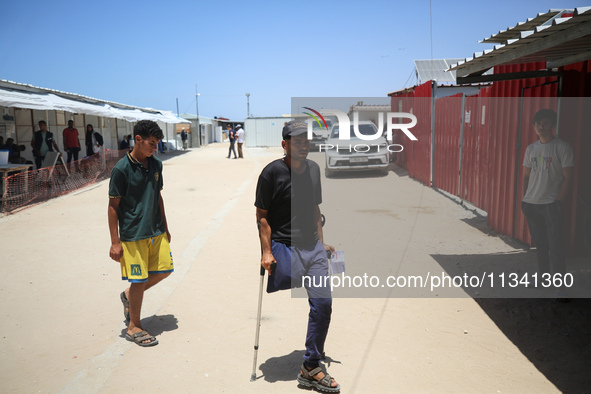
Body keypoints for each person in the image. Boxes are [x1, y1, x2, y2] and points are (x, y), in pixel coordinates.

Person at [254, 121, 340, 392]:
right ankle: (311, 361)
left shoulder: (314, 169)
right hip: (285, 246)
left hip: (312, 246)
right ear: (285, 144)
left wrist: (322, 244)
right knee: (284, 280)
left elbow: (315, 208)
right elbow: (262, 217)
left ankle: (310, 366)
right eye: (298, 141)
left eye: (307, 141)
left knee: (323, 304)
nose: (304, 145)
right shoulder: (271, 174)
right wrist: (266, 252)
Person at [108, 120, 174, 347]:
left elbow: (158, 196)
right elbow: (113, 206)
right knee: (139, 279)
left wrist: (165, 227)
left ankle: (128, 296)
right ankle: (133, 326)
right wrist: (115, 242)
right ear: (138, 140)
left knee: (165, 270)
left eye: (157, 144)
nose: (154, 148)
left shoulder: (156, 165)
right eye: (151, 143)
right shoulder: (121, 169)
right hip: (133, 234)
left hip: (155, 230)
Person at [521, 109, 574, 300]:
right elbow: (526, 175)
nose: (540, 127)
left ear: (553, 125)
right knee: (541, 245)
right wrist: (524, 198)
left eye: (544, 123)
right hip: (531, 204)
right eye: (537, 124)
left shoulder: (562, 147)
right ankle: (543, 279)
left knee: (556, 246)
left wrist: (559, 202)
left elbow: (568, 178)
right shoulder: (531, 149)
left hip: (551, 204)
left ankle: (560, 286)